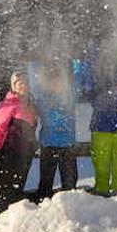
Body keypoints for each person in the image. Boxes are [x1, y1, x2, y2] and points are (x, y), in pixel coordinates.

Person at [0, 71, 39, 222]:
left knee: (17, 187)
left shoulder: (30, 103)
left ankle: (11, 222)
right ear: (13, 86)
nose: (23, 86)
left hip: (25, 154)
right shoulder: (10, 102)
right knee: (4, 188)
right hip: (10, 152)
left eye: (25, 83)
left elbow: (31, 127)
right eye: (19, 83)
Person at [79, 55, 117, 195]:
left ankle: (116, 189)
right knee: (103, 164)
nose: (109, 68)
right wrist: (84, 61)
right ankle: (104, 190)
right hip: (103, 128)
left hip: (115, 127)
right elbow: (84, 80)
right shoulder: (95, 84)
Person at [30, 61, 77, 199]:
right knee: (46, 182)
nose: (57, 84)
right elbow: (34, 76)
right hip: (49, 144)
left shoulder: (70, 96)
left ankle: (71, 203)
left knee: (69, 183)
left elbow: (79, 76)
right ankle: (44, 203)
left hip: (67, 144)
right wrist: (36, 59)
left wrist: (74, 60)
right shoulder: (43, 97)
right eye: (54, 81)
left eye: (60, 81)